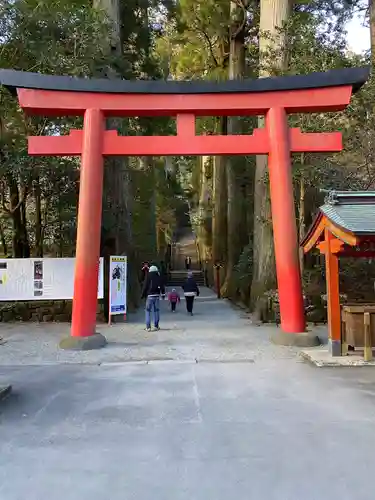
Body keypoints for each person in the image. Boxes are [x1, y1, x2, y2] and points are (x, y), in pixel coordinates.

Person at [141, 265, 165, 332]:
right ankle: (156, 326)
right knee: (156, 310)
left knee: (147, 311)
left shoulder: (148, 276)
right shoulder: (158, 276)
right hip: (157, 296)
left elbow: (145, 286)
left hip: (149, 296)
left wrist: (142, 295)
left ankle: (148, 327)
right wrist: (163, 294)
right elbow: (162, 286)